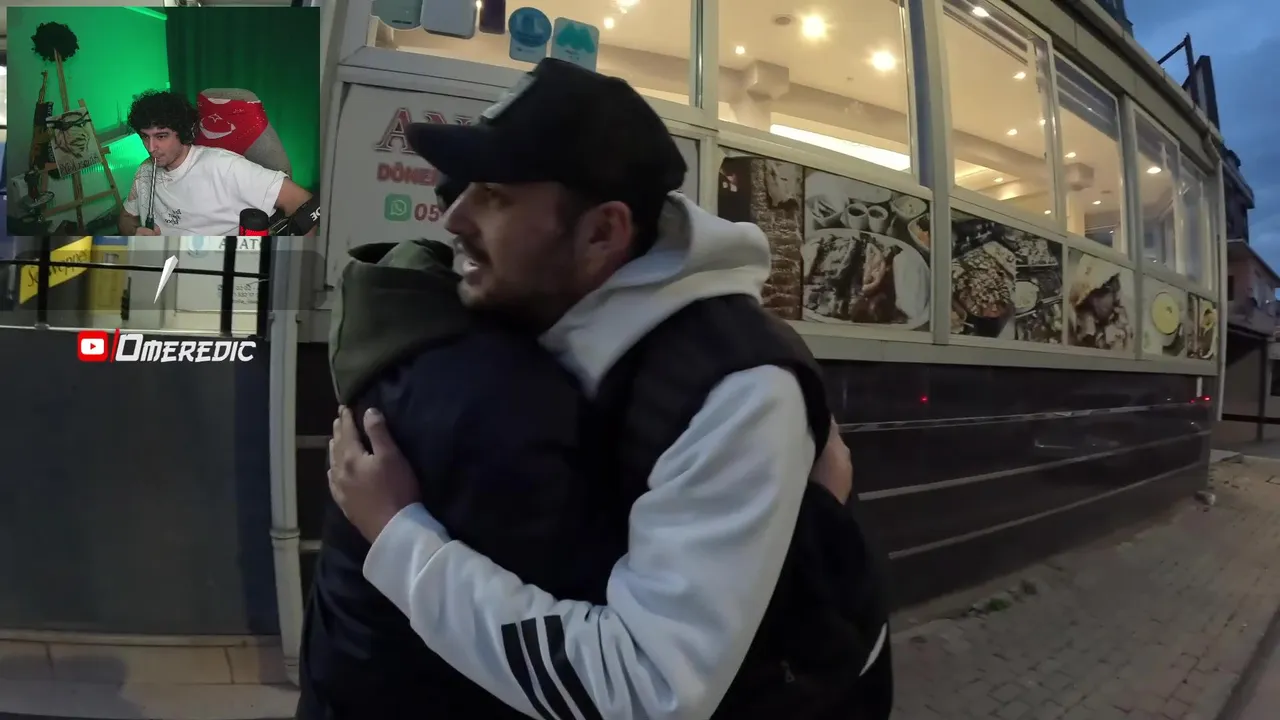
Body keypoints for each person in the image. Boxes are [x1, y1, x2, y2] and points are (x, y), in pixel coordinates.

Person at [327, 58, 891, 720]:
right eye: (465, 188)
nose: (454, 219)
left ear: (602, 232)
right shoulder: (541, 308)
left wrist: (397, 536)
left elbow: (646, 691)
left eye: (495, 195)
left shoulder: (736, 391)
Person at [297, 176, 623, 719]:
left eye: (494, 197)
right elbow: (602, 644)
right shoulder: (506, 392)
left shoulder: (412, 328)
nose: (453, 218)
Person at [118, 90, 314, 236]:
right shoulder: (145, 171)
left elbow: (304, 202)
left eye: (161, 136)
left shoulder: (223, 166)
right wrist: (135, 232)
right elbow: (126, 219)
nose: (151, 147)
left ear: (183, 132)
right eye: (145, 137)